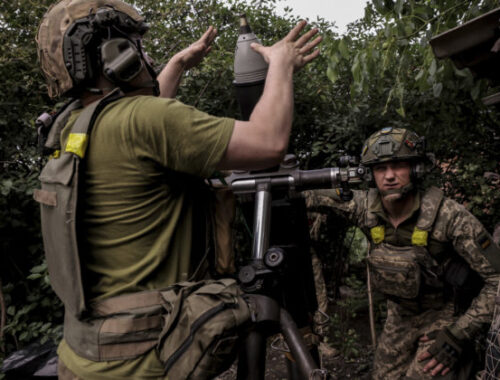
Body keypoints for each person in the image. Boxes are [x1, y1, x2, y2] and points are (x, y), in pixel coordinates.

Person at [34, 0, 322, 378]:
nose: (146, 54)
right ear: (113, 54)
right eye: (136, 45)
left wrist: (177, 66)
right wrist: (281, 64)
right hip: (145, 362)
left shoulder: (70, 127)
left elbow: (144, 132)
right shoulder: (146, 120)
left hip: (86, 356)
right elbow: (268, 142)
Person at [304, 127, 500, 379]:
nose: (389, 176)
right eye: (380, 168)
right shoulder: (365, 208)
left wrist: (459, 335)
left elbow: (496, 280)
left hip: (443, 316)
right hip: (399, 317)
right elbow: (310, 195)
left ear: (416, 169)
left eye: (398, 166)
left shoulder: (448, 216)